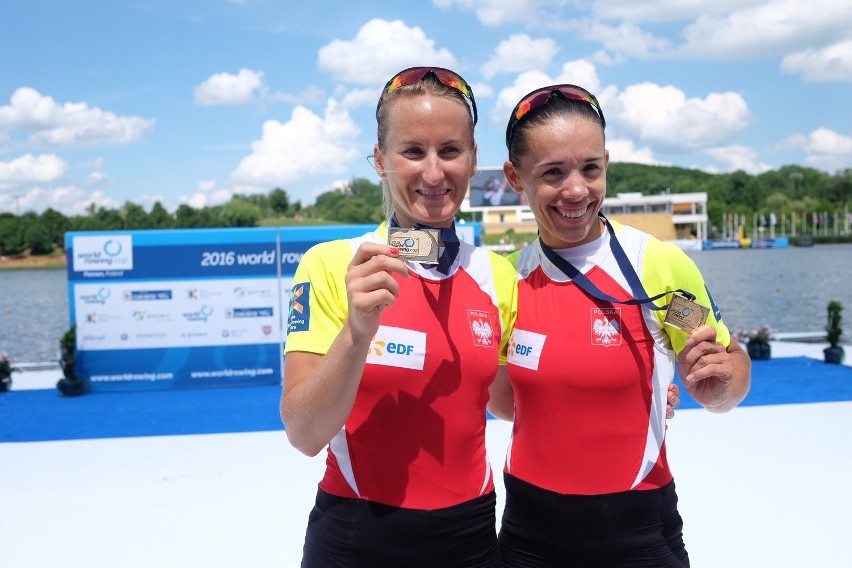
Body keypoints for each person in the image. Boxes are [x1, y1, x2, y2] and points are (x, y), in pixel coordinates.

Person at [487, 84, 752, 567]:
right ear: (514, 177)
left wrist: (719, 386)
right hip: (529, 538)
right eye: (552, 173)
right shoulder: (506, 280)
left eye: (590, 168)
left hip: (638, 535)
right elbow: (506, 405)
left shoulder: (657, 271)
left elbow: (725, 366)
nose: (575, 190)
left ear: (606, 163)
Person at [280, 67, 516, 568]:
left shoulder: (497, 275)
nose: (433, 173)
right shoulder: (331, 263)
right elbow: (303, 434)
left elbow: (512, 404)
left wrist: (643, 382)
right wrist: (357, 332)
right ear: (380, 160)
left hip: (470, 539)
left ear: (474, 161)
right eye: (413, 152)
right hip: (357, 538)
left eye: (450, 151)